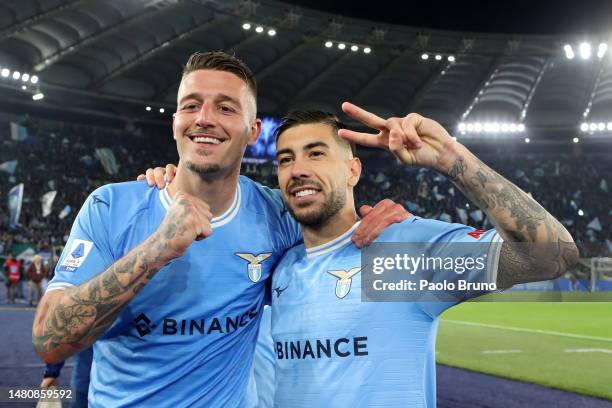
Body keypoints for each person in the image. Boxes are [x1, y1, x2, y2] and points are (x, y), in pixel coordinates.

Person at [32, 51, 406, 407]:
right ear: (176, 121)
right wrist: (155, 250)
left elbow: (352, 247)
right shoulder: (111, 206)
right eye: (191, 105)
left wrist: (383, 221)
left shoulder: (279, 214)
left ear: (252, 130)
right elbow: (50, 340)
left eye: (226, 108)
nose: (204, 118)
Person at [266, 106, 579, 407]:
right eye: (285, 160)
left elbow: (552, 256)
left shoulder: (403, 250)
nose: (298, 170)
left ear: (353, 171)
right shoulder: (280, 267)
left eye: (316, 153)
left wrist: (450, 157)